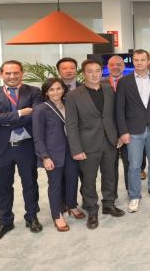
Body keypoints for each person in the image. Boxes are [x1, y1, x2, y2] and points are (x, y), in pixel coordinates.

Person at [0, 60, 42, 244]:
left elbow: (35, 116)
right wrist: (19, 114)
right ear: (1, 74)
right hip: (1, 150)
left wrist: (0, 118)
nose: (12, 76)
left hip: (26, 147)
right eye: (7, 73)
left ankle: (31, 217)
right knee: (3, 187)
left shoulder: (34, 92)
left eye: (16, 72)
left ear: (22, 73)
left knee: (30, 184)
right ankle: (5, 221)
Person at [66, 59, 124, 229]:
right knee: (89, 180)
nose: (94, 74)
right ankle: (92, 210)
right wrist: (76, 149)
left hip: (110, 141)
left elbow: (114, 115)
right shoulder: (73, 95)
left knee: (110, 175)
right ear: (83, 74)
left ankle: (109, 204)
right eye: (90, 71)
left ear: (101, 72)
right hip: (87, 145)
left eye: (97, 70)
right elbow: (71, 124)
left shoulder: (109, 89)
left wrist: (118, 135)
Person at [116, 49, 150, 213]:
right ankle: (134, 196)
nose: (139, 63)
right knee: (134, 166)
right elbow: (120, 109)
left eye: (142, 60)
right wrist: (123, 131)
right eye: (136, 60)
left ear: (148, 62)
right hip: (133, 131)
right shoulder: (124, 81)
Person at [33, 77, 83, 232]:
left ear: (64, 90)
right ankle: (57, 215)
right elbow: (38, 136)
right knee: (55, 185)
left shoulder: (69, 104)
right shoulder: (41, 109)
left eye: (58, 88)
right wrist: (45, 157)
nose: (56, 92)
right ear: (46, 93)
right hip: (53, 154)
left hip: (71, 150)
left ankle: (72, 205)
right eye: (51, 90)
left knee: (72, 180)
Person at [101, 55, 131, 197]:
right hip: (108, 132)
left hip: (128, 130)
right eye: (112, 64)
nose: (115, 67)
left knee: (130, 163)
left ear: (123, 66)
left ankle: (132, 191)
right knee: (109, 166)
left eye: (119, 64)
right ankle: (111, 196)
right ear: (108, 66)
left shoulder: (131, 82)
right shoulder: (100, 83)